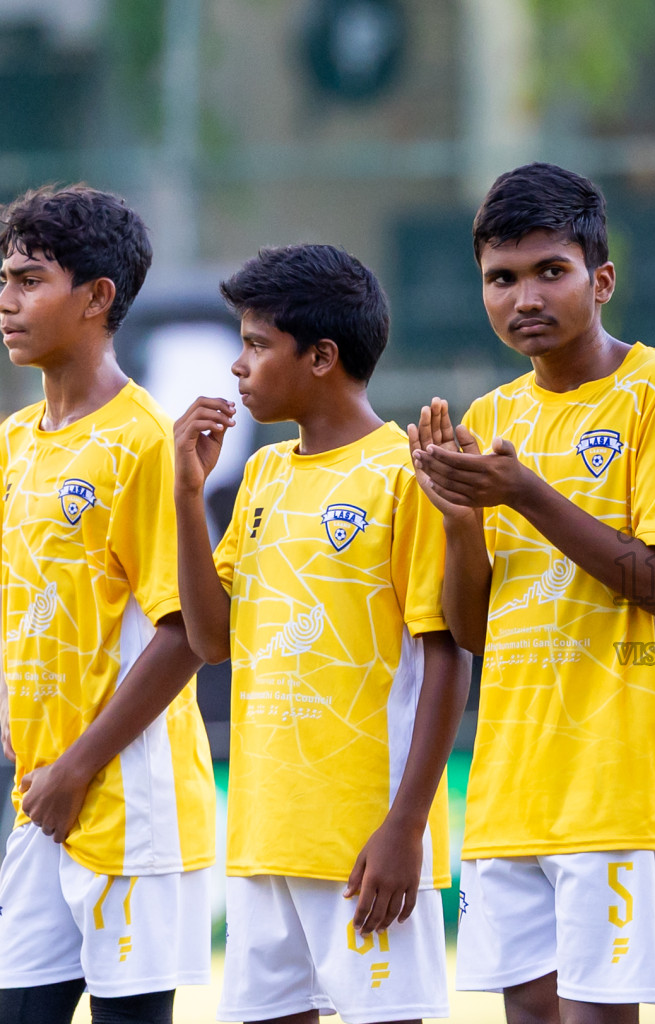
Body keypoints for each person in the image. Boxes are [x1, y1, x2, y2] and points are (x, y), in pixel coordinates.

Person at [411, 162, 655, 1023]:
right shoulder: (493, 416)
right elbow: (472, 628)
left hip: (620, 777)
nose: (525, 296)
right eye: (502, 278)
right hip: (511, 784)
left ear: (600, 280)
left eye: (549, 272)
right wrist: (458, 519)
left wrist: (526, 495)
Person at [172, 243, 469, 1024]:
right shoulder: (265, 476)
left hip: (364, 842)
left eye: (257, 344)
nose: (239, 366)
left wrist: (406, 827)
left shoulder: (406, 471)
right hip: (266, 833)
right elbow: (212, 641)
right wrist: (185, 493)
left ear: (321, 357)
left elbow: (446, 660)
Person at [0, 185, 216, 1024]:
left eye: (29, 280)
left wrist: (77, 769)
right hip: (41, 803)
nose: (8, 301)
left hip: (130, 808)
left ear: (98, 298)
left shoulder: (142, 443)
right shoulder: (16, 442)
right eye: (5, 279)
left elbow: (182, 634)